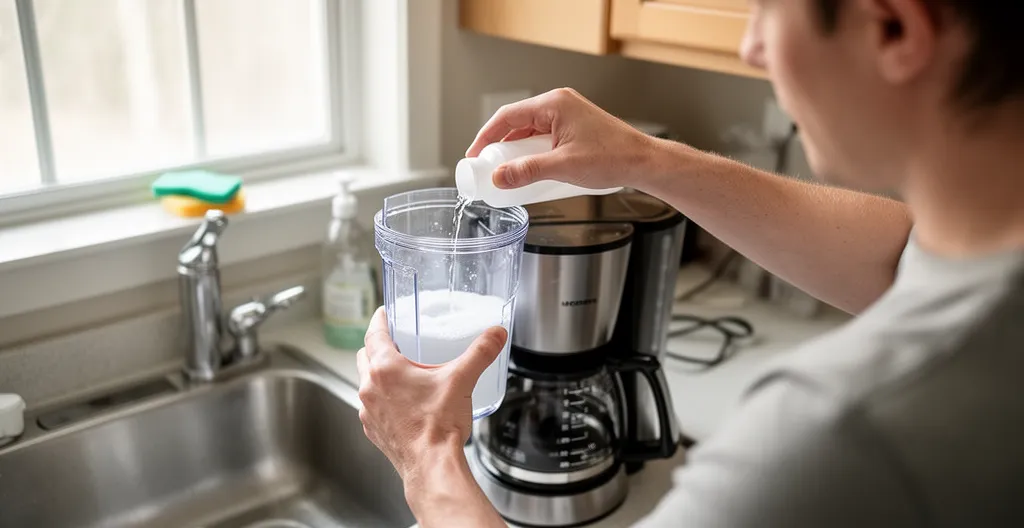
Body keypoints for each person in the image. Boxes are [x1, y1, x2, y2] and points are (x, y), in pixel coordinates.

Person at [356, 0, 1024, 526]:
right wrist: (641, 158)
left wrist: (427, 454)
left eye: (767, 9)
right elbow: (900, 256)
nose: (750, 47)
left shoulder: (839, 430)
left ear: (893, 26)